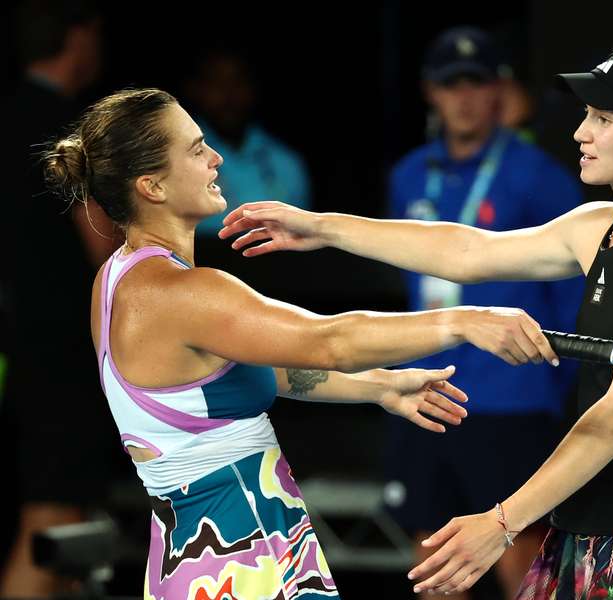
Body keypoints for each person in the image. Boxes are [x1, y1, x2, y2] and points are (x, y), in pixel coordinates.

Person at [219, 39, 613, 598]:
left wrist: (501, 522)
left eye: (604, 118)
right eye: (587, 115)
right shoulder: (598, 225)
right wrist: (323, 229)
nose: (580, 133)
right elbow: (464, 251)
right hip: (588, 524)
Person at [40, 87, 560, 599]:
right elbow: (328, 340)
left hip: (201, 568)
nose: (216, 158)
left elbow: (257, 370)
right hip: (244, 568)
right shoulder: (182, 293)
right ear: (152, 186)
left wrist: (375, 386)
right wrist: (463, 321)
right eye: (197, 149)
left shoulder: (116, 280)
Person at [381, 25, 583, 599]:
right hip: (425, 389)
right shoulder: (409, 176)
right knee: (433, 551)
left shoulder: (542, 178)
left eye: (476, 84)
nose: (464, 99)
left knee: (518, 548)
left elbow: (573, 299)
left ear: (501, 92)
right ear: (430, 93)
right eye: (451, 85)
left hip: (513, 401)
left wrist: (561, 391)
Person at [1, 1, 120, 595]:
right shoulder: (58, 125)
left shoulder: (9, 114)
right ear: (80, 34)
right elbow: (103, 244)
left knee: (67, 526)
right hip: (58, 349)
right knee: (52, 521)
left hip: (24, 342)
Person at [184, 48, 313, 239]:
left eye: (237, 82)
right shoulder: (178, 158)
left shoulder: (286, 162)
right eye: (216, 83)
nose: (228, 94)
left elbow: (302, 237)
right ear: (195, 88)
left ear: (253, 88)